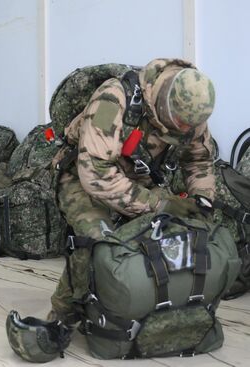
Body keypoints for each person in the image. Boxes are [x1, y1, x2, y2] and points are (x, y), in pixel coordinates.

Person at [49, 58, 217, 324]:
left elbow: (199, 160)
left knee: (176, 232)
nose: (183, 132)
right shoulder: (112, 100)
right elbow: (96, 174)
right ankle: (62, 314)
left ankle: (150, 307)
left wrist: (202, 200)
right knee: (96, 242)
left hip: (138, 177)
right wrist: (159, 204)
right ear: (163, 104)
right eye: (176, 126)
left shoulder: (191, 111)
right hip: (85, 175)